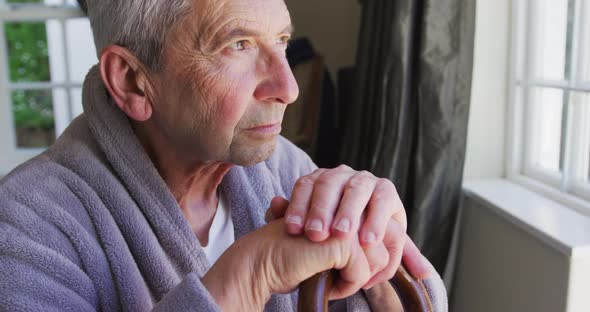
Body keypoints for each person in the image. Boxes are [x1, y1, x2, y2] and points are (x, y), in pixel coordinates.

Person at [0, 0, 447, 311]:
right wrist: (251, 275)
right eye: (238, 45)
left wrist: (385, 277)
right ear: (134, 80)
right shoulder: (25, 226)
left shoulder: (287, 171)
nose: (289, 88)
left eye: (282, 40)